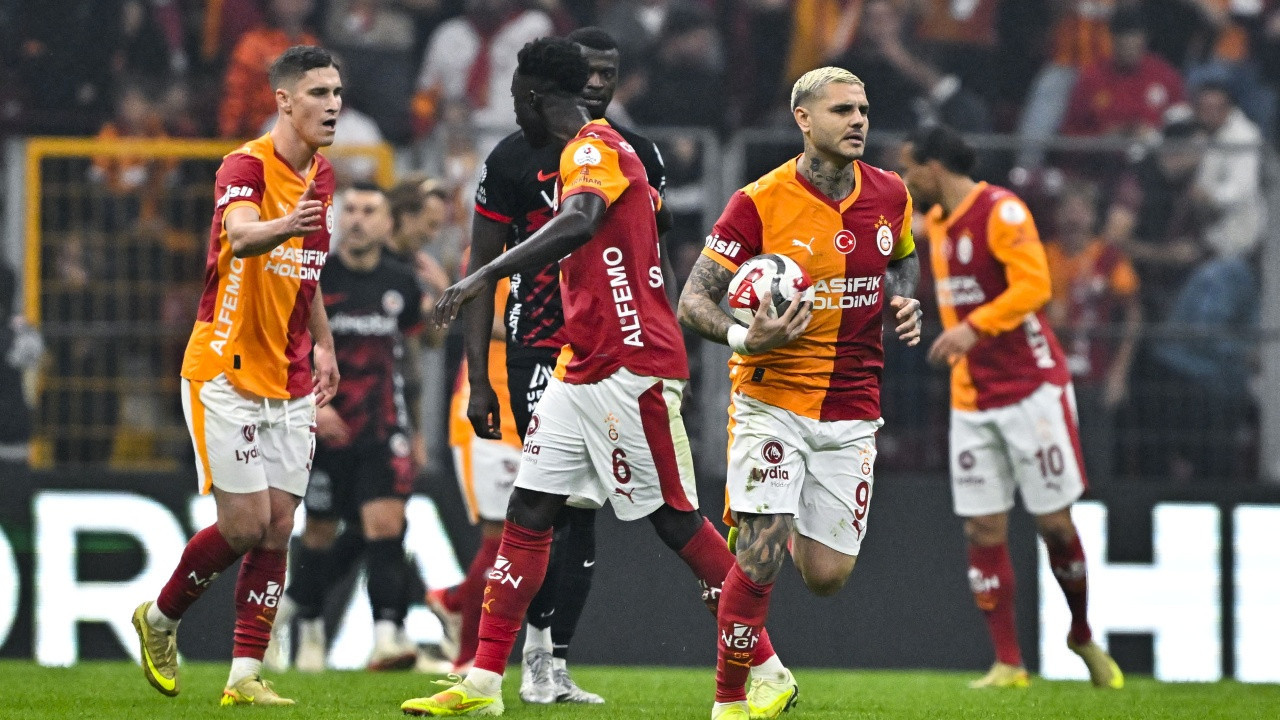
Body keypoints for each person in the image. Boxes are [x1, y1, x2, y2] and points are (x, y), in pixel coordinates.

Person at [400, 36, 794, 718]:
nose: (513, 109)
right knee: (530, 509)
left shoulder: (593, 148)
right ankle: (484, 684)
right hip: (580, 364)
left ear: (531, 96)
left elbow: (581, 220)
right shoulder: (580, 153)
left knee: (675, 521)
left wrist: (486, 272)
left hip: (633, 364)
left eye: (515, 97)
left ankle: (767, 666)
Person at [433, 25, 670, 704]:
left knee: (591, 511)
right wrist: (480, 380)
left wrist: (658, 338)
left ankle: (551, 660)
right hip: (540, 347)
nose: (596, 84)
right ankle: (523, 660)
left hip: (616, 349)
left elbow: (654, 256)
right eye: (586, 72)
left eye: (607, 73)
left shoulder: (633, 153)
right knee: (545, 503)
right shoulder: (512, 158)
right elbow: (480, 270)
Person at [678, 66, 923, 720]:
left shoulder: (891, 192)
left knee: (826, 575)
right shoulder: (758, 203)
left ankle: (766, 518)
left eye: (863, 109)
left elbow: (902, 256)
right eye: (842, 110)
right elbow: (692, 301)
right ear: (804, 120)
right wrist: (744, 337)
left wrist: (905, 298)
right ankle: (732, 700)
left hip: (853, 408)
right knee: (761, 557)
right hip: (773, 400)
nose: (858, 120)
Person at [130, 45, 341, 706]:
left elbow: (306, 272)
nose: (333, 105)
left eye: (337, 92)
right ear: (283, 100)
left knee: (279, 527)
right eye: (318, 93)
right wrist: (289, 221)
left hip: (291, 373)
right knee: (246, 524)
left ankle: (244, 676)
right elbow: (243, 237)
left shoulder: (324, 176)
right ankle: (159, 618)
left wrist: (324, 343)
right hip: (224, 368)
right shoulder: (244, 166)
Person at [899, 124, 1123, 690]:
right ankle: (1008, 663)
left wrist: (971, 328)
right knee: (982, 527)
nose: (905, 180)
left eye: (908, 169)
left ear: (933, 167)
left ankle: (1081, 632)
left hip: (1031, 389)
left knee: (1054, 524)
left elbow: (1034, 287)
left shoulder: (1001, 211)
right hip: (972, 397)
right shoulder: (938, 222)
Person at [267, 182, 425, 673]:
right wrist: (310, 406)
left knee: (386, 526)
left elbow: (412, 356)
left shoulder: (403, 282)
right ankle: (308, 629)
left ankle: (386, 636)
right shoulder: (316, 279)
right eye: (349, 209)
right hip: (321, 427)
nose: (357, 218)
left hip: (382, 427)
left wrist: (417, 429)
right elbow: (286, 351)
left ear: (387, 223)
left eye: (369, 210)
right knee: (318, 532)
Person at [1044, 181, 1142, 485]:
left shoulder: (1109, 258)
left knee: (1096, 463)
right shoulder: (1043, 256)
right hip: (1050, 378)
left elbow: (1134, 314)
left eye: (1082, 210)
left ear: (1093, 216)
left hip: (1095, 378)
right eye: (1068, 210)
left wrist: (1119, 373)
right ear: (1058, 215)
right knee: (1052, 461)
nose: (1074, 218)